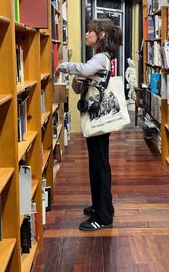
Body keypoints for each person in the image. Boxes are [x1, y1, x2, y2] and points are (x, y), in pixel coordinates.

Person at [56, 18, 123, 231]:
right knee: (96, 164)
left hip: (98, 119)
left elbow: (84, 70)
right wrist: (77, 79)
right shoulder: (97, 58)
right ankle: (100, 206)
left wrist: (64, 66)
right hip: (94, 118)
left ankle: (103, 217)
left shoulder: (102, 57)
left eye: (90, 31)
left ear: (101, 35)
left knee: (100, 166)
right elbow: (79, 87)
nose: (86, 34)